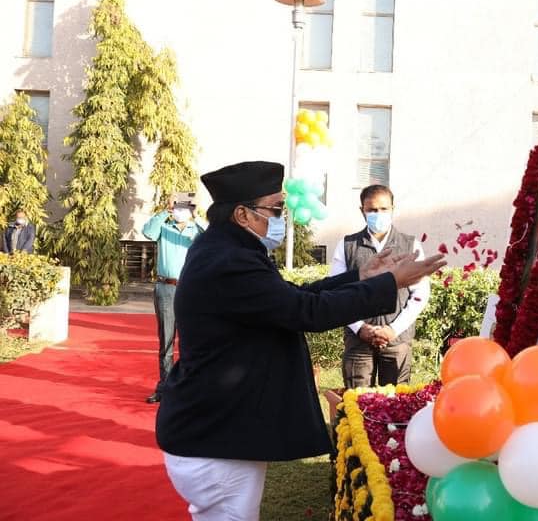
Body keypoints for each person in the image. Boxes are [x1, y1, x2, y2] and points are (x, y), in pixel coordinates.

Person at [156, 161, 444, 521]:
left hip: (217, 430)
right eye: (276, 210)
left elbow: (293, 295)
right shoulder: (230, 261)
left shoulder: (225, 249)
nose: (282, 218)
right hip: (216, 437)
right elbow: (306, 311)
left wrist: (361, 276)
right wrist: (390, 283)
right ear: (243, 214)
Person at [332, 184, 429, 388]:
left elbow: (420, 294)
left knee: (396, 400)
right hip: (358, 341)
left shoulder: (410, 245)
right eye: (372, 210)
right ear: (362, 211)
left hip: (396, 340)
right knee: (357, 401)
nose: (378, 214)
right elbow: (337, 292)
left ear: (393, 208)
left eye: (384, 209)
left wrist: (393, 329)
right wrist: (360, 328)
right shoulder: (347, 246)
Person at [141, 193, 206, 404]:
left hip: (190, 289)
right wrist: (166, 210)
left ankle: (189, 388)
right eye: (177, 207)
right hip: (166, 288)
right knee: (166, 341)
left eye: (184, 207)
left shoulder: (196, 230)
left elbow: (212, 236)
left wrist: (195, 216)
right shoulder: (164, 227)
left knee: (191, 341)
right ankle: (165, 388)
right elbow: (147, 232)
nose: (180, 210)